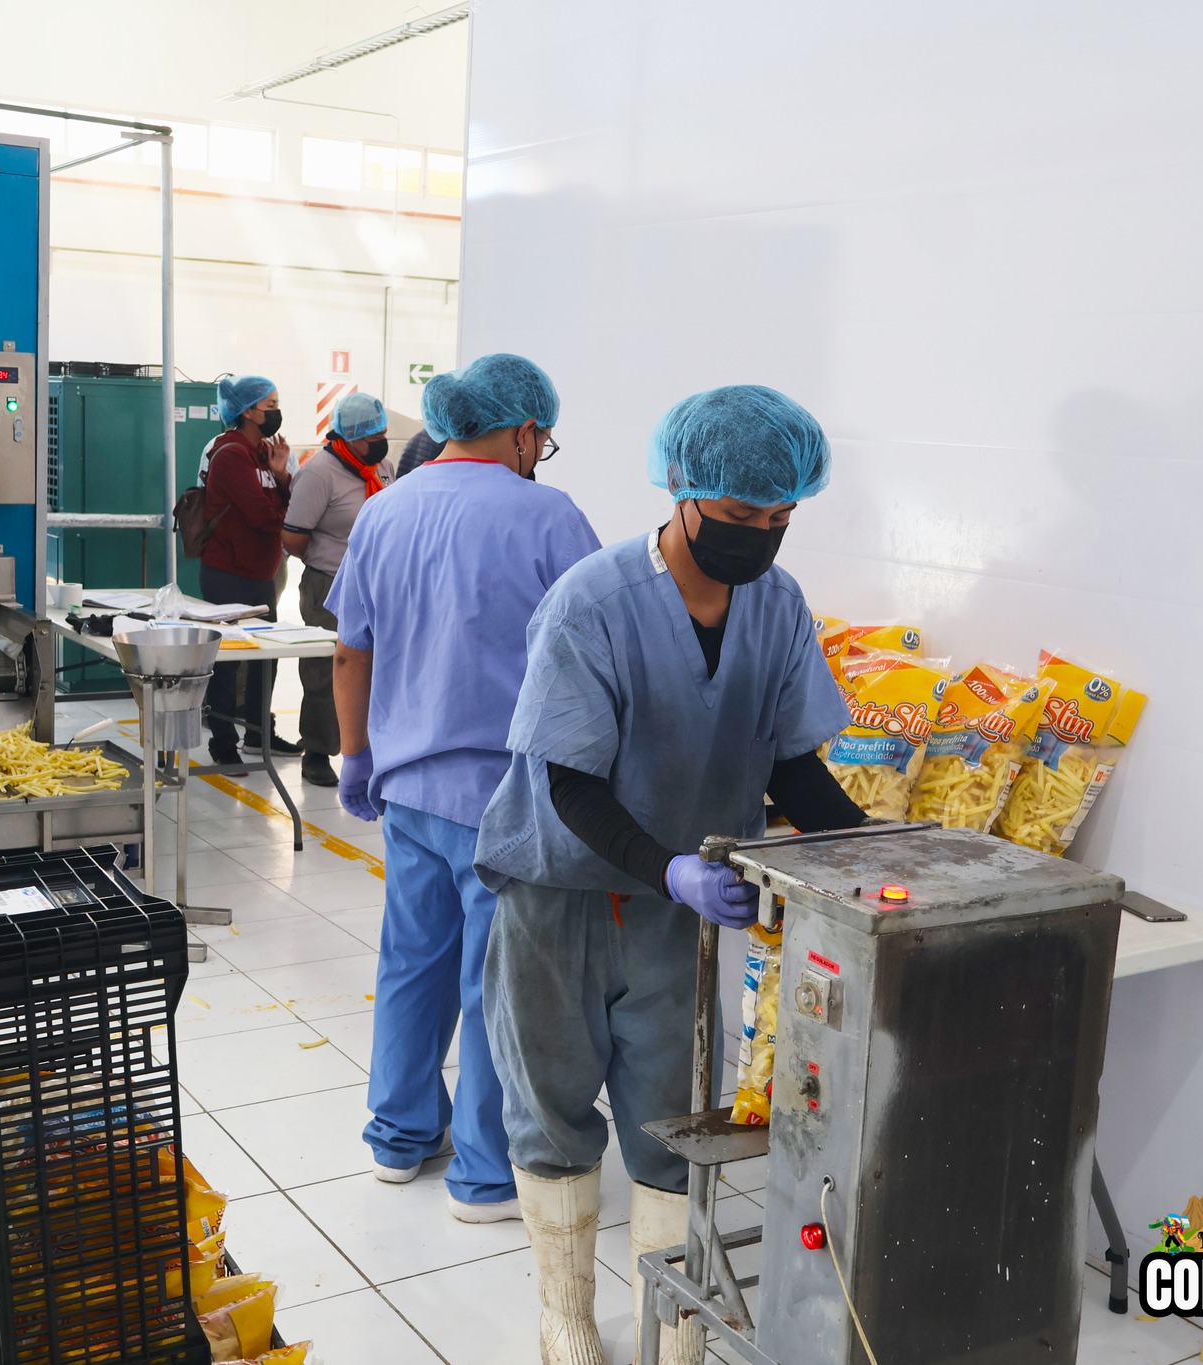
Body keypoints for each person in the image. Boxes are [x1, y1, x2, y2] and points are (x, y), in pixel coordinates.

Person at [474, 386, 865, 1364]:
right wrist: (671, 868)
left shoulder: (774, 607)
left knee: (671, 1112)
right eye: (740, 517)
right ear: (683, 490)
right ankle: (563, 1313)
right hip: (558, 886)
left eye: (779, 519)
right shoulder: (593, 603)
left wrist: (869, 851)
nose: (761, 537)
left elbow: (788, 761)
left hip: (677, 913)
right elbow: (566, 781)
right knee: (551, 1099)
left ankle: (673, 1316)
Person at [327, 354, 600, 1222]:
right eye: (541, 440)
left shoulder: (383, 509)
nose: (540, 453)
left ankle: (399, 1137)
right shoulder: (550, 517)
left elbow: (349, 649)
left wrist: (356, 754)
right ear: (523, 430)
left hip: (406, 785)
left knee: (411, 961)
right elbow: (598, 659)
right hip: (505, 796)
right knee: (498, 983)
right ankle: (484, 1174)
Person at [281, 391, 392, 788]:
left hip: (378, 583)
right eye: (372, 436)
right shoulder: (320, 472)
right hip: (330, 584)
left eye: (383, 434)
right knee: (326, 670)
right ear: (349, 437)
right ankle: (317, 750)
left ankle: (367, 748)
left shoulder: (381, 467)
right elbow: (294, 536)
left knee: (376, 668)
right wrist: (331, 559)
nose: (380, 442)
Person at [199, 374, 301, 771]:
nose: (276, 412)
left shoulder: (262, 454)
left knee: (266, 658)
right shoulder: (231, 454)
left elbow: (280, 505)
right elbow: (262, 516)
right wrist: (282, 510)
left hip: (260, 573)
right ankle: (224, 742)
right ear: (247, 411)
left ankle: (259, 731)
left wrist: (280, 476)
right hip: (229, 573)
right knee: (228, 660)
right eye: (269, 406)